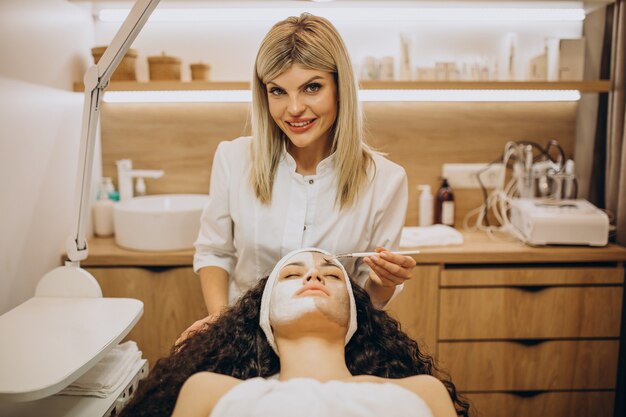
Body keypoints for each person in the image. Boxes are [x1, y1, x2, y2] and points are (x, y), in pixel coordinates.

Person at [189, 12, 415, 335]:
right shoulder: (233, 159)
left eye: (311, 87)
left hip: (334, 346)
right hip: (243, 340)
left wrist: (384, 283)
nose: (293, 109)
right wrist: (220, 324)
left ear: (340, 87)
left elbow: (370, 298)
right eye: (278, 91)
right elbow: (214, 252)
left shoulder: (386, 181)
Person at [120, 249, 470, 417]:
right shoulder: (207, 390)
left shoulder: (424, 392)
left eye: (332, 275)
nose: (313, 277)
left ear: (356, 315)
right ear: (263, 315)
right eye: (291, 275)